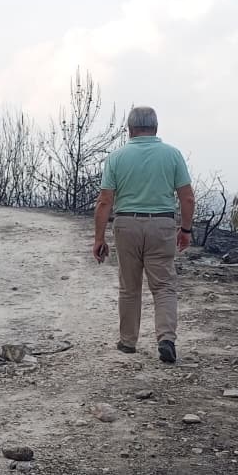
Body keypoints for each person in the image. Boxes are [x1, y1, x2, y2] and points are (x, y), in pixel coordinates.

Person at [92, 106, 195, 364]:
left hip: (126, 224)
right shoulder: (172, 155)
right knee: (164, 286)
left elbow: (104, 201)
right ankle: (166, 339)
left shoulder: (116, 157)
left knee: (129, 286)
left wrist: (99, 238)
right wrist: (185, 230)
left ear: (129, 129)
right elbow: (187, 198)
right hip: (162, 225)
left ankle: (128, 341)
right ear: (156, 127)